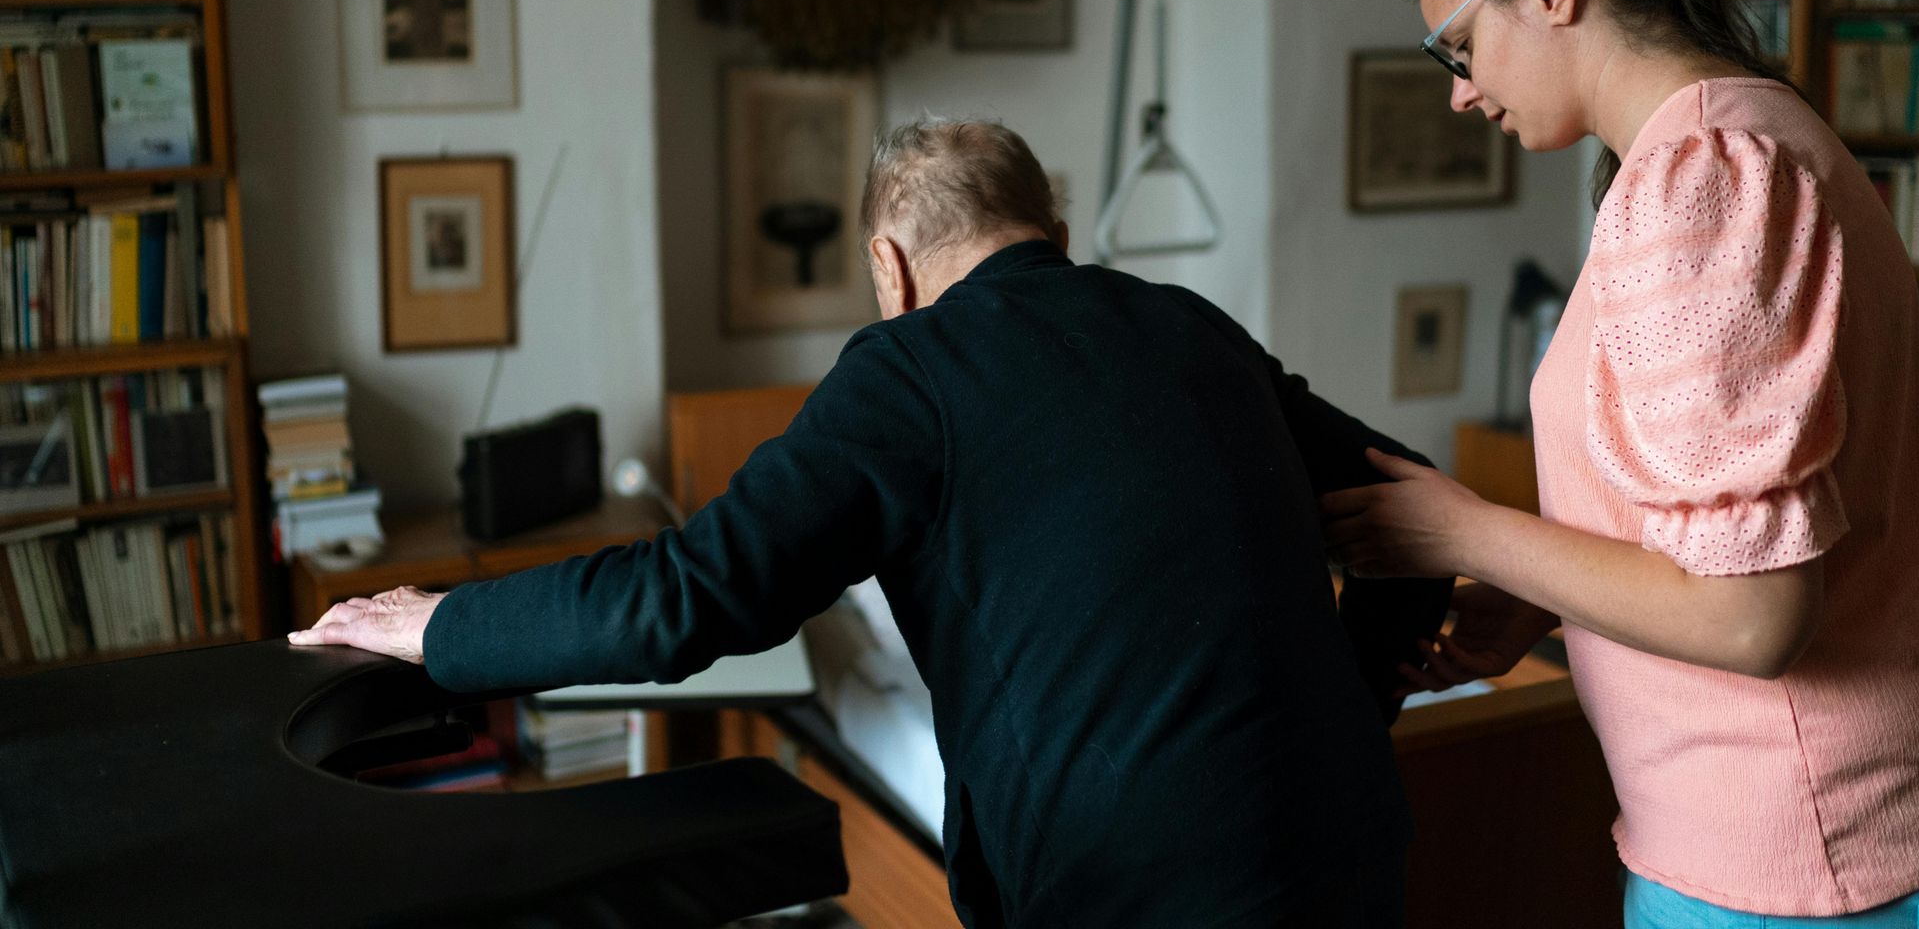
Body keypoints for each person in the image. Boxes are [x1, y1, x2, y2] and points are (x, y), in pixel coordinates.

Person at [292, 118, 1450, 928]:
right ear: (1047, 226)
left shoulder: (909, 368)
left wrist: (442, 624)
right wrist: (1353, 694)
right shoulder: (1190, 323)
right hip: (1347, 847)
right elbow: (1410, 492)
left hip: (1134, 886)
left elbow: (693, 595)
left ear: (889, 265)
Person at [1320, 0, 1919, 927]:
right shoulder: (1751, 135)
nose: (1458, 90)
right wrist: (1550, 586)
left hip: (1792, 861)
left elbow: (1753, 614)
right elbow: (1735, 513)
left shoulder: (1703, 182)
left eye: (1456, 47)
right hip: (1800, 839)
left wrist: (1469, 531)